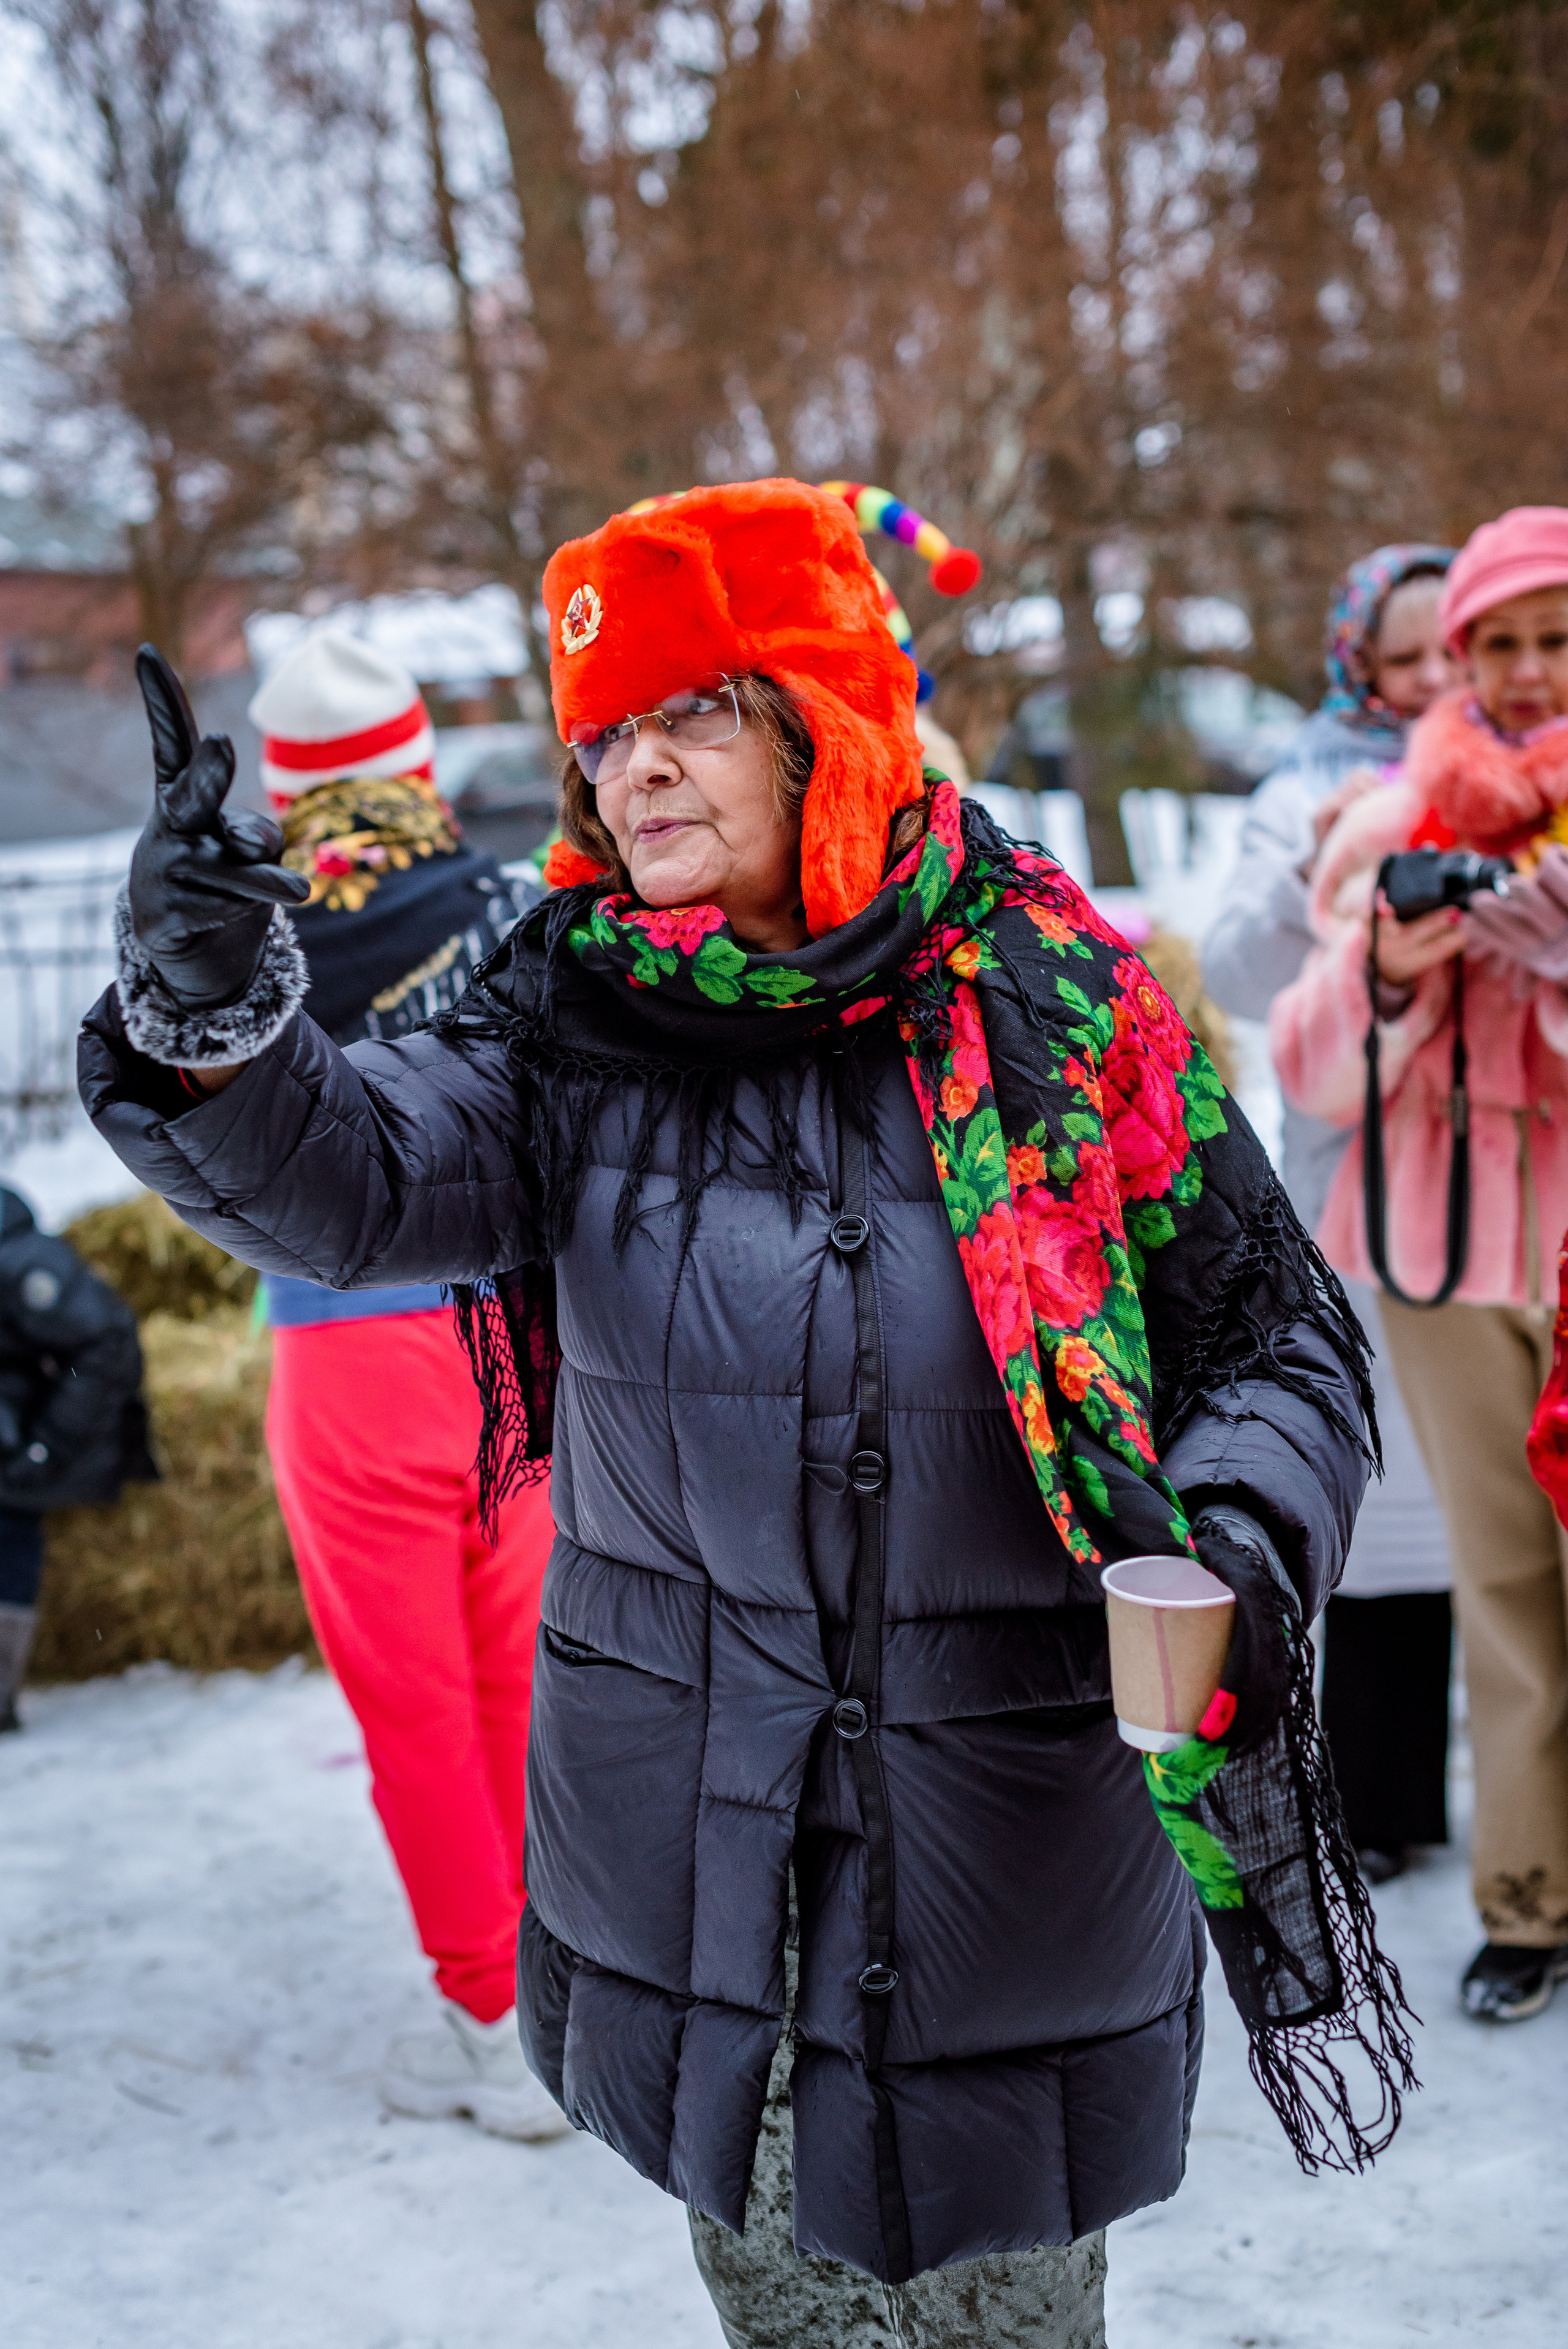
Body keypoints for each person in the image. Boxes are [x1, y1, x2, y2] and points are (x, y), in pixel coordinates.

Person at [83, 481, 1392, 2345]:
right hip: (701, 1866)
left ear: (823, 711)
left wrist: (1232, 1544)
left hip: (1000, 1845)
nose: (632, 773)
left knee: (1009, 2321)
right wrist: (208, 1012)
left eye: (689, 711)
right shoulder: (565, 1012)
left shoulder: (1056, 1004)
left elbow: (1275, 1344)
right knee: (778, 2310)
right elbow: (351, 1177)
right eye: (601, 737)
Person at [178, 633, 565, 2141]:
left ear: (284, 790)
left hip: (339, 1352)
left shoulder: (246, 941)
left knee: (408, 1703)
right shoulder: (504, 905)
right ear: (415, 764)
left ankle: (485, 2012)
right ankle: (563, 1970)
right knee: (525, 1674)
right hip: (504, 1335)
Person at [1272, 505, 1568, 2023]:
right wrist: (1391, 959)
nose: (1523, 672)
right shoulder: (1395, 821)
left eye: (1552, 637)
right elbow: (1311, 1070)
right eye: (1495, 642)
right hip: (1447, 1264)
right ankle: (1527, 1898)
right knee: (1506, 1586)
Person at [1203, 545, 1460, 1882]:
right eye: (1399, 658)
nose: (1428, 683)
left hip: (1518, 1188)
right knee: (1395, 1497)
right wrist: (1323, 859)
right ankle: (1384, 1799)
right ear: (1356, 660)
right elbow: (1240, 964)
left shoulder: (1527, 768)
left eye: (1447, 653)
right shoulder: (1306, 783)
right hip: (1360, 1176)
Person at [0, 1184, 156, 1728]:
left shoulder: (20, 1259)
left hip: (45, 1442)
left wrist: (48, 1446)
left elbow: (108, 1343)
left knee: (7, 1522)